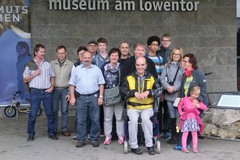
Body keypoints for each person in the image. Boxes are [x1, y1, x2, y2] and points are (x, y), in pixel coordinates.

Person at [121, 57, 158, 155]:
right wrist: (133, 93)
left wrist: (149, 92)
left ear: (146, 65)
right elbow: (123, 90)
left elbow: (159, 90)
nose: (140, 67)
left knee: (146, 120)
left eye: (142, 65)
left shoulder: (152, 77)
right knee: (133, 121)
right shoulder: (129, 77)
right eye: (138, 65)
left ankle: (149, 145)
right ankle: (134, 146)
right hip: (133, 107)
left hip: (147, 107)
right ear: (135, 65)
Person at [69, 51, 105, 148]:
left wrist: (100, 97)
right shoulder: (76, 69)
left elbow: (101, 84)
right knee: (81, 119)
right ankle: (81, 139)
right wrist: (72, 97)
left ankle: (94, 139)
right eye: (85, 57)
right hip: (81, 98)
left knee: (95, 119)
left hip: (94, 97)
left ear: (91, 58)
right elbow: (72, 84)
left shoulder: (97, 69)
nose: (87, 59)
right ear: (81, 57)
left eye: (89, 57)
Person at [23, 44, 58, 141]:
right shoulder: (29, 64)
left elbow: (52, 76)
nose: (43, 53)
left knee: (50, 114)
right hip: (35, 92)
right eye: (41, 52)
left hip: (47, 92)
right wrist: (34, 74)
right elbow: (25, 80)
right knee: (33, 114)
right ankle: (31, 134)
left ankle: (51, 133)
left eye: (44, 51)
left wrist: (51, 87)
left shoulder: (47, 65)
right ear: (36, 52)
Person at [174, 53, 208, 150]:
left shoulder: (199, 73)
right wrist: (180, 101)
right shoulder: (185, 74)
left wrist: (197, 100)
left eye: (185, 61)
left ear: (191, 63)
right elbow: (182, 89)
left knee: (191, 125)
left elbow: (204, 89)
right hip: (186, 104)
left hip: (195, 104)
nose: (183, 63)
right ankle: (181, 143)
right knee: (183, 123)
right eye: (183, 61)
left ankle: (186, 144)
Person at [160, 48, 184, 144]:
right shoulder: (167, 66)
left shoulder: (182, 67)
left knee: (178, 116)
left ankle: (179, 136)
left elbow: (182, 81)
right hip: (169, 95)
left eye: (178, 54)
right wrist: (167, 87)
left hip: (178, 95)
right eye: (174, 54)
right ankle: (173, 135)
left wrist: (174, 88)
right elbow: (162, 78)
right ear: (172, 55)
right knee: (172, 116)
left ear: (180, 55)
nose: (176, 56)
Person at [101, 48, 124, 145]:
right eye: (112, 55)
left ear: (119, 57)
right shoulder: (104, 67)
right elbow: (101, 81)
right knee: (107, 117)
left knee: (119, 117)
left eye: (116, 55)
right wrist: (101, 95)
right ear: (109, 56)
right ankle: (107, 136)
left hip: (119, 95)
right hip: (107, 95)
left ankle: (121, 136)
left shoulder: (121, 67)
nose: (114, 57)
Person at [50, 45, 73, 136]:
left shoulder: (71, 64)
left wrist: (69, 92)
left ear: (66, 53)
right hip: (54, 90)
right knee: (54, 110)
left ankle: (64, 128)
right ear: (56, 54)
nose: (61, 55)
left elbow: (72, 79)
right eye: (59, 53)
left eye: (63, 53)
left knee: (64, 110)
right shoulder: (51, 63)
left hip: (65, 89)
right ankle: (54, 128)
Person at [177, 86, 207, 153]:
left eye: (196, 95)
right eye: (193, 93)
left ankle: (194, 148)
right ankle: (184, 147)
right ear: (190, 92)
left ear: (198, 95)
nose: (194, 96)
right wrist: (180, 112)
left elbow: (205, 107)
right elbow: (179, 105)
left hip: (193, 119)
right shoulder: (185, 99)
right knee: (185, 133)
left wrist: (198, 105)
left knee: (194, 134)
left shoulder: (197, 101)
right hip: (186, 118)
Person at [157, 33, 173, 139]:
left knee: (167, 110)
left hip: (168, 85)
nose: (165, 42)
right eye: (163, 40)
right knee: (157, 110)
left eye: (167, 40)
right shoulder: (157, 53)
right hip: (158, 84)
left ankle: (167, 130)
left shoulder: (173, 53)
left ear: (170, 42)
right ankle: (158, 130)